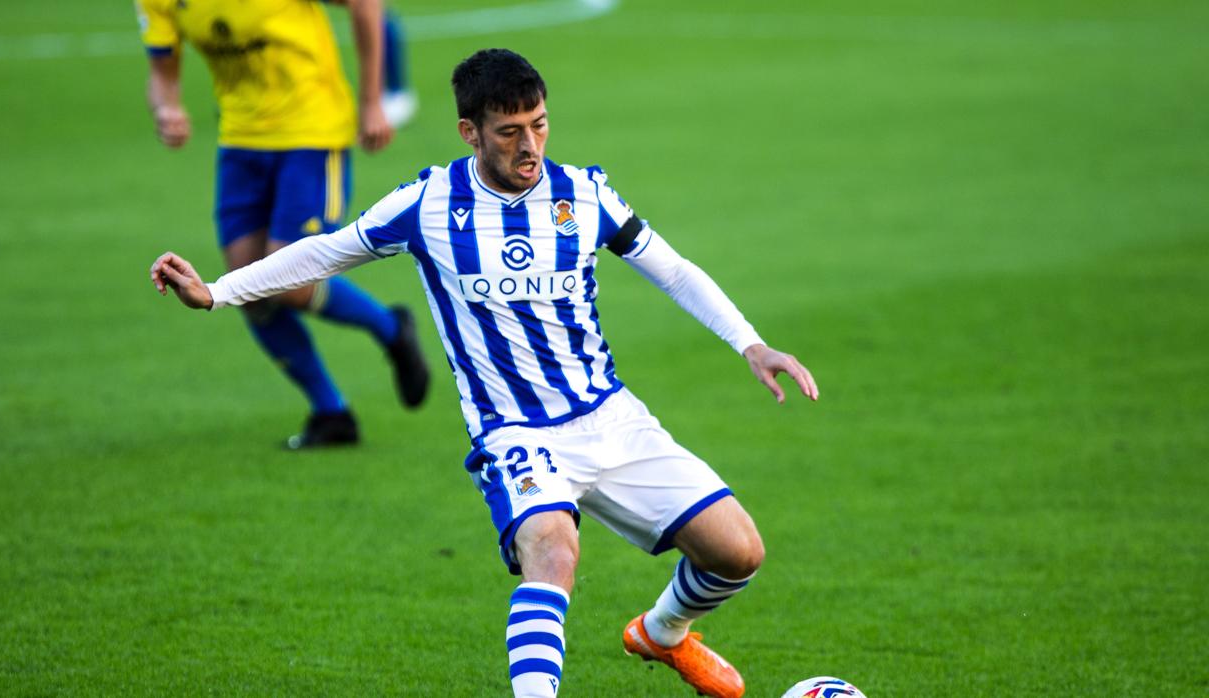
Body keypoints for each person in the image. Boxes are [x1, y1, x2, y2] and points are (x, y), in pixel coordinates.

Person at [150, 48, 818, 698]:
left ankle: (663, 633)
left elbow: (670, 268)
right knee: (552, 553)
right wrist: (217, 291)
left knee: (738, 553)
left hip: (610, 416)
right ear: (470, 132)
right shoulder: (429, 204)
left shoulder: (583, 195)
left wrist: (750, 344)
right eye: (510, 132)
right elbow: (326, 251)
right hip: (514, 432)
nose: (530, 145)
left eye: (540, 124)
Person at [136, 0, 429, 448]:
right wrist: (166, 108)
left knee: (287, 280)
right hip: (239, 138)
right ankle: (331, 413)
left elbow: (366, 5)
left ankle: (390, 329)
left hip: (312, 132)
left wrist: (373, 102)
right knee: (248, 289)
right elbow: (161, 72)